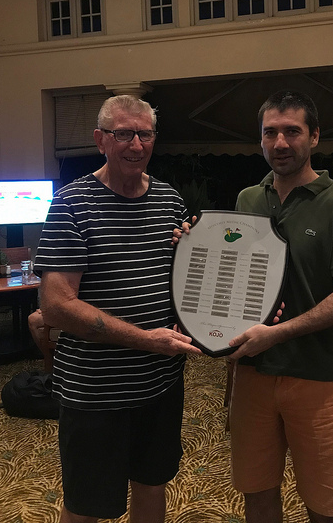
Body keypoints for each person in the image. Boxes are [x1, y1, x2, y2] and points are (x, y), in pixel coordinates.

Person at [34, 94, 201, 523]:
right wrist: (146, 340)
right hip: (94, 392)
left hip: (161, 384)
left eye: (145, 134)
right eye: (124, 133)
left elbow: (186, 282)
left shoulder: (170, 201)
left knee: (152, 485)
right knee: (86, 505)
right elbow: (56, 307)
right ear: (100, 140)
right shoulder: (71, 204)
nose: (136, 145)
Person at [227, 90, 333, 523]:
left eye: (292, 131)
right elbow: (235, 278)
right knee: (257, 495)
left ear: (315, 137)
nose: (280, 143)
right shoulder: (247, 199)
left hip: (317, 376)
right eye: (270, 132)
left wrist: (277, 334)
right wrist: (194, 247)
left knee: (325, 508)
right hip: (252, 375)